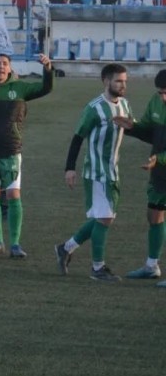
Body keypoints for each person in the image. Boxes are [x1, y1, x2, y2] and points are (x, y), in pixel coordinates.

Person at [0, 53, 55, 259]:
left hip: (11, 148)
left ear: (10, 69)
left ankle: (15, 244)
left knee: (13, 195)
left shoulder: (20, 88)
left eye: (5, 64)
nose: (1, 66)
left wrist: (47, 69)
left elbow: (45, 88)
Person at [55, 64, 130, 283]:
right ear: (106, 81)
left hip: (113, 171)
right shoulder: (94, 108)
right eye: (119, 81)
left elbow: (132, 127)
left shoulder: (125, 105)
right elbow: (78, 138)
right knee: (104, 218)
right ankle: (97, 268)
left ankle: (65, 248)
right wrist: (70, 168)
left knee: (103, 218)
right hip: (96, 172)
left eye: (125, 81)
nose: (123, 85)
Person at [115, 69, 166, 287]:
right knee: (154, 215)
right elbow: (149, 131)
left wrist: (159, 158)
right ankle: (151, 266)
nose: (163, 97)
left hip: (160, 162)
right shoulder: (156, 102)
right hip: (159, 170)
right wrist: (132, 127)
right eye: (161, 92)